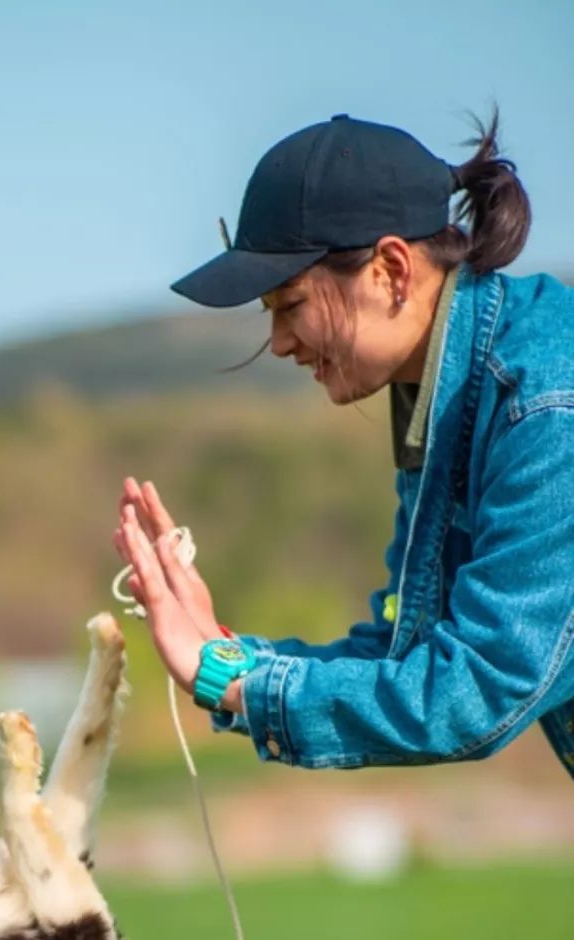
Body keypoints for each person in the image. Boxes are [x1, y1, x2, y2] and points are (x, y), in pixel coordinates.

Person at [112, 110, 574, 778]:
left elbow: (475, 688)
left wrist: (241, 689)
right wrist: (227, 659)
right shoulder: (444, 387)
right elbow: (407, 652)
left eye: (289, 303)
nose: (277, 343)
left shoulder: (547, 409)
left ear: (389, 269)